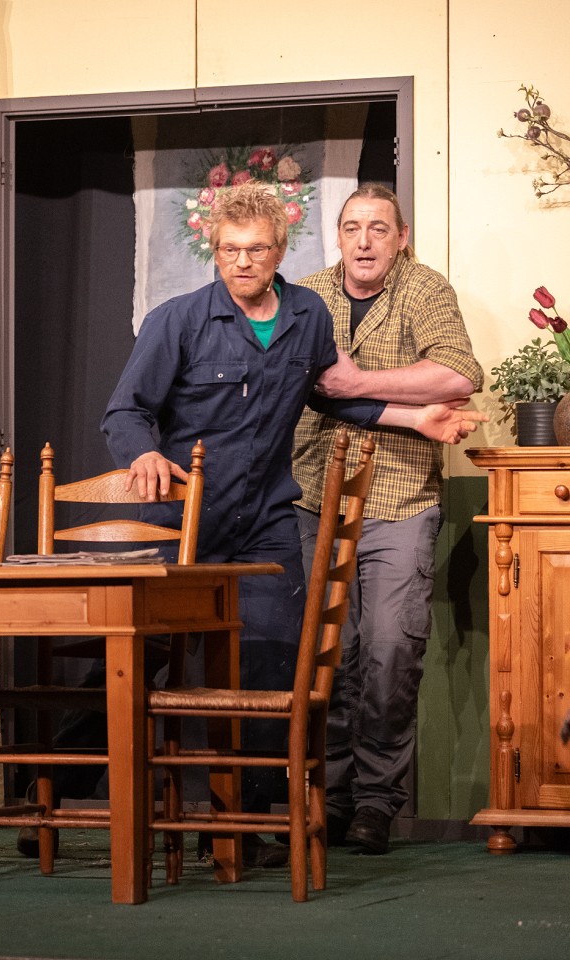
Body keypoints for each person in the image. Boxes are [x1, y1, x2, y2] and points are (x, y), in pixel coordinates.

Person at [100, 180, 486, 867]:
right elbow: (125, 411)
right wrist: (144, 453)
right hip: (185, 522)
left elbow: (331, 397)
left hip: (267, 521)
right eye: (229, 249)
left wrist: (414, 420)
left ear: (279, 251)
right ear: (215, 251)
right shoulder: (177, 320)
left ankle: (248, 824)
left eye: (255, 249)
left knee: (276, 666)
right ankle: (68, 782)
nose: (242, 261)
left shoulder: (307, 315)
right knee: (142, 659)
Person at [291, 182, 485, 855]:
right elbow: (302, 383)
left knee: (389, 651)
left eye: (379, 228)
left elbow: (458, 376)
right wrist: (398, 398)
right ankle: (332, 796)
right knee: (330, 653)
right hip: (313, 497)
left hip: (400, 498)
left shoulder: (424, 289)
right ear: (338, 237)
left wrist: (357, 382)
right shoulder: (307, 296)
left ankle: (376, 800)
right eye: (352, 228)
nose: (364, 240)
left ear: (401, 238)